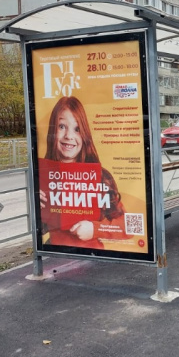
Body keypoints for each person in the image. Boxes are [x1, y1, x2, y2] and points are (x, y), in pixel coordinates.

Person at [39, 96, 127, 248]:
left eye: (77, 129)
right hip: (57, 255)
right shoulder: (43, 175)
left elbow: (127, 225)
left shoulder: (101, 177)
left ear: (84, 134)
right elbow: (39, 229)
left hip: (93, 256)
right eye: (61, 126)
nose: (68, 136)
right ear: (52, 130)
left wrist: (94, 229)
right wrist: (37, 208)